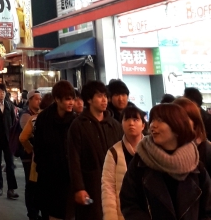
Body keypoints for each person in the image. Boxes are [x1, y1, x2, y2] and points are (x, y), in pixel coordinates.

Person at [120, 102, 211, 220]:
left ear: (177, 126)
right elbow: (129, 203)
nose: (153, 125)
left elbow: (208, 209)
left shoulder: (196, 166)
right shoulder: (141, 162)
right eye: (152, 120)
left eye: (160, 120)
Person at [68, 80, 122, 220]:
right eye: (99, 96)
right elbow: (74, 159)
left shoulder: (114, 125)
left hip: (114, 184)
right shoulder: (78, 125)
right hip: (90, 184)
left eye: (105, 96)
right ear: (89, 100)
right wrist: (79, 187)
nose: (104, 100)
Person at [33, 79, 76, 220]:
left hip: (70, 177)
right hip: (49, 177)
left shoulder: (75, 120)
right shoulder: (44, 119)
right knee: (52, 213)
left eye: (72, 99)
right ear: (57, 99)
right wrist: (42, 168)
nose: (71, 102)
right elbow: (38, 147)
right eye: (67, 99)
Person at [102, 105, 146, 220]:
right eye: (127, 119)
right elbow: (108, 187)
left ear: (143, 125)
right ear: (121, 124)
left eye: (135, 119)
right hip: (123, 213)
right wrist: (111, 216)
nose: (131, 123)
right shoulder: (113, 152)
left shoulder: (152, 150)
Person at [18, 89, 42, 220]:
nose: (39, 101)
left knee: (35, 183)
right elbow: (24, 137)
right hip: (28, 155)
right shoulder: (26, 115)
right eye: (37, 99)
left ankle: (35, 210)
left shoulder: (39, 114)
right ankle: (32, 212)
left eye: (40, 99)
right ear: (30, 100)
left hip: (36, 155)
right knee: (30, 183)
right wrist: (31, 149)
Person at [175, 98, 211, 171]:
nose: (176, 123)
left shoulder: (206, 149)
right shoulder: (164, 147)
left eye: (183, 118)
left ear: (194, 122)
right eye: (173, 119)